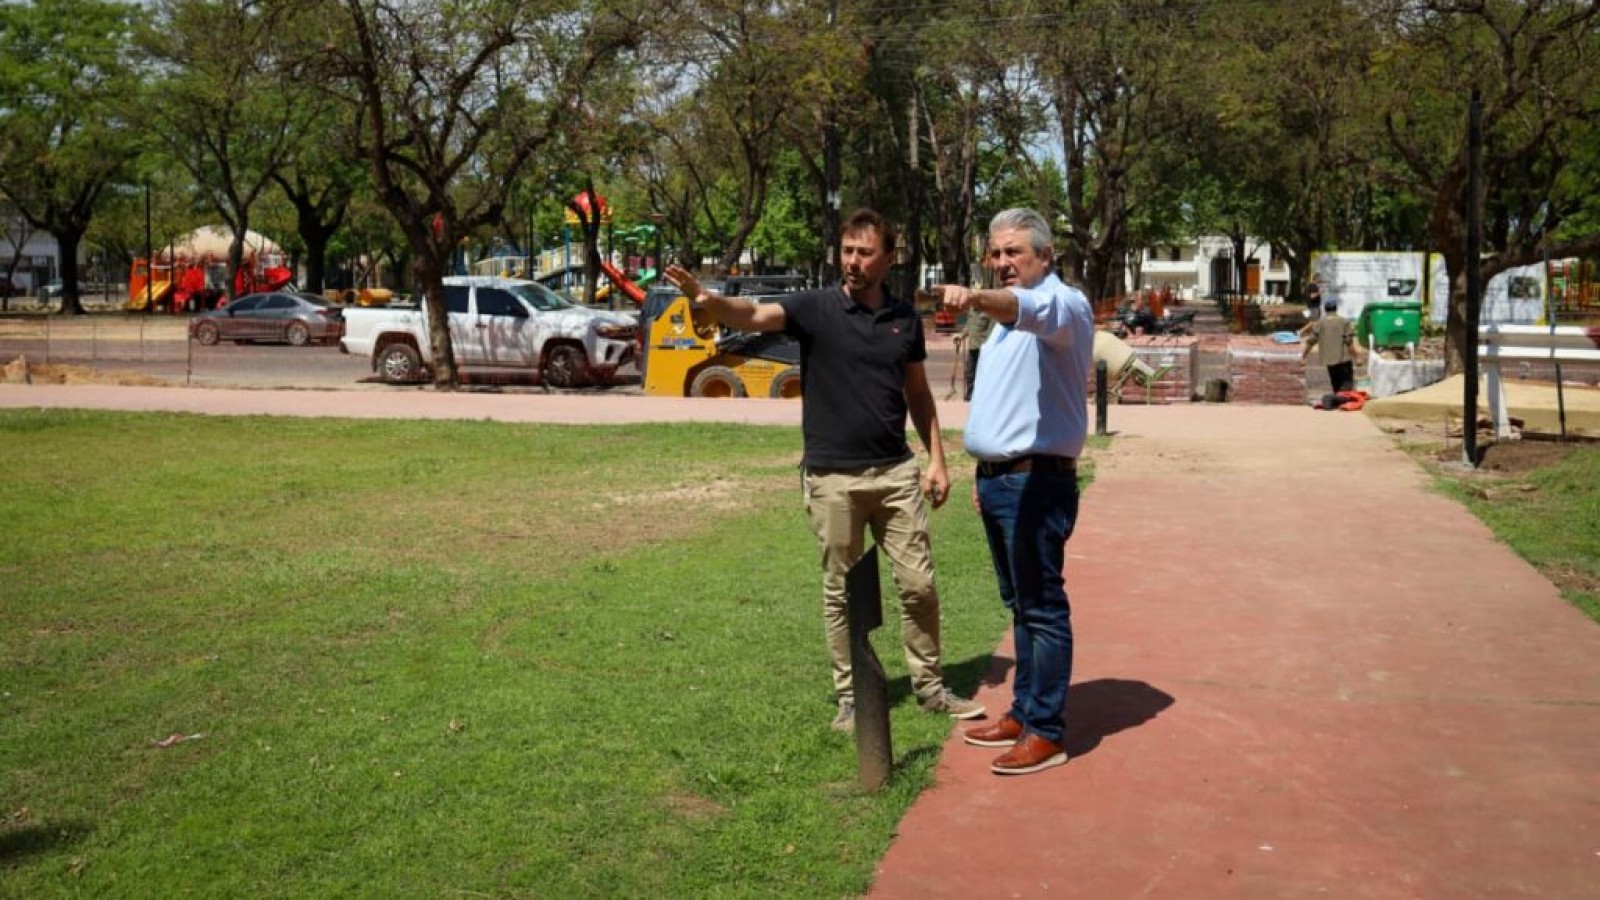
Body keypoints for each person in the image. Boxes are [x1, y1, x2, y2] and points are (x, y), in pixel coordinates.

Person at [663, 209, 984, 732]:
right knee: (841, 591)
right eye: (847, 251)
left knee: (918, 585)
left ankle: (929, 687)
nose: (852, 262)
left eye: (865, 252)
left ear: (888, 257)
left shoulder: (903, 319)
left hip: (895, 474)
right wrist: (709, 301)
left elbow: (918, 393)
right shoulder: (814, 307)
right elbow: (754, 314)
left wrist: (937, 459)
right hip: (832, 477)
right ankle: (851, 697)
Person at [925, 207, 1094, 777]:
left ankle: (1046, 730)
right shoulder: (1001, 324)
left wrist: (973, 296)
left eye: (1014, 251)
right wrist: (989, 472)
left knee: (1042, 606)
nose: (1002, 262)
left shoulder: (1062, 304)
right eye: (995, 253)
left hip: (1037, 481)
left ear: (1045, 255)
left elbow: (1027, 308)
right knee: (1020, 604)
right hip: (1003, 481)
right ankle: (1024, 712)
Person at [1300, 298, 1364, 393]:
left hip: (1329, 359)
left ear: (1325, 310)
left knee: (1335, 384)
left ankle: (1337, 398)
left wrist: (1304, 356)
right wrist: (1357, 357)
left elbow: (1311, 341)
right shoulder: (1344, 321)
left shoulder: (1320, 323)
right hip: (1344, 359)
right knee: (1347, 384)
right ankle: (1343, 399)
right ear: (1336, 309)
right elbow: (1349, 342)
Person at [963, 308, 994, 401]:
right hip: (972, 346)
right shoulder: (971, 310)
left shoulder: (989, 311)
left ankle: (984, 395)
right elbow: (968, 325)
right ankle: (970, 395)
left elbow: (991, 331)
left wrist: (987, 345)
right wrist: (961, 336)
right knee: (970, 372)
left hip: (983, 348)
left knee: (984, 373)